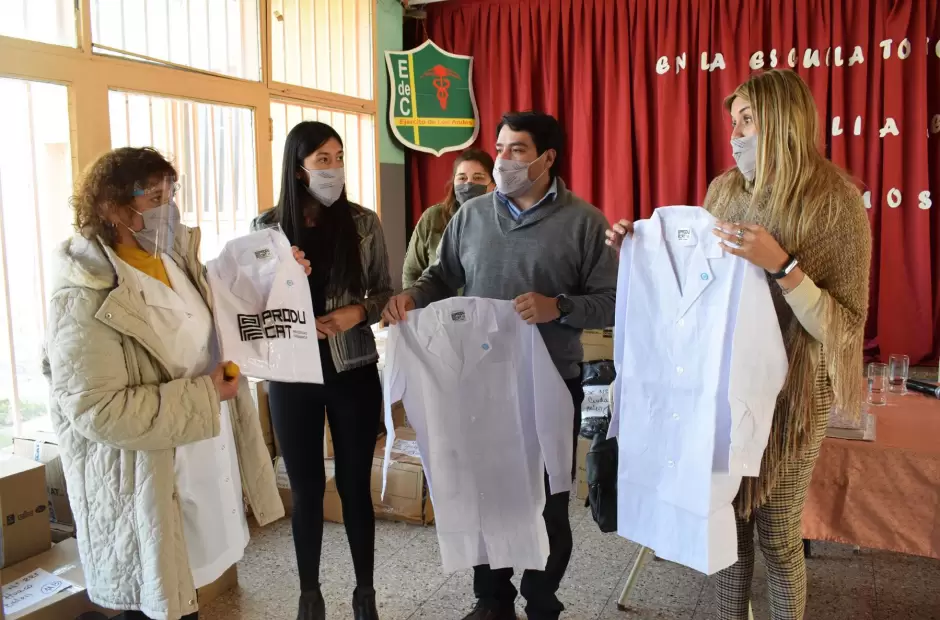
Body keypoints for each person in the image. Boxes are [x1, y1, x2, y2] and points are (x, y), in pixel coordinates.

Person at [605, 69, 870, 620]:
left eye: (747, 120)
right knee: (724, 521)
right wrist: (639, 249)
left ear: (782, 120)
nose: (735, 135)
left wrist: (784, 267)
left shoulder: (835, 203)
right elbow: (698, 278)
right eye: (733, 122)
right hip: (723, 381)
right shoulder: (725, 190)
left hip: (795, 392)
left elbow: (844, 329)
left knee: (776, 531)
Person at [383, 111, 618, 620]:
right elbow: (439, 277)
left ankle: (542, 599)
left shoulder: (584, 222)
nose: (504, 160)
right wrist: (412, 297)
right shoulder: (471, 216)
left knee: (546, 497)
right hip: (477, 382)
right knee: (484, 490)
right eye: (500, 148)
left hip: (549, 382)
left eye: (517, 150)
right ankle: (491, 599)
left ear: (547, 158)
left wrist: (560, 307)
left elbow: (613, 302)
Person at [43, 147, 287, 620]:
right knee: (159, 599)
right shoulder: (82, 295)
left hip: (198, 456)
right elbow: (97, 410)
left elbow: (216, 322)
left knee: (185, 589)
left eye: (171, 193)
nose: (168, 207)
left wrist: (278, 273)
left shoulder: (173, 259)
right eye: (153, 197)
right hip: (144, 481)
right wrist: (206, 394)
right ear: (110, 207)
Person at [252, 121, 393, 620]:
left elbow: (384, 292)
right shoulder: (267, 227)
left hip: (352, 369)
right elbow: (251, 302)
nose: (334, 168)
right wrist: (281, 279)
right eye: (322, 160)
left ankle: (364, 593)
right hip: (292, 375)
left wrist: (358, 312)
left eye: (339, 157)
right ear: (299, 169)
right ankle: (309, 595)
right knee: (306, 489)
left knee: (354, 486)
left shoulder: (363, 223)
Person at [402, 148, 495, 288]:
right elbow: (411, 273)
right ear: (453, 183)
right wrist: (414, 299)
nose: (468, 185)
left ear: (493, 185)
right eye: (462, 178)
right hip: (436, 302)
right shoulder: (433, 218)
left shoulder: (503, 221)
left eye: (478, 178)